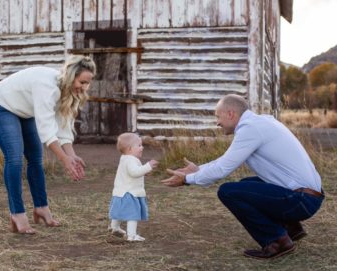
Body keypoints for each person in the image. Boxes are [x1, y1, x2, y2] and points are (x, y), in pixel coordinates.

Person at [161, 94, 324, 259]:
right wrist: (198, 170)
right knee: (246, 184)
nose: (217, 122)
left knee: (228, 191)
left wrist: (187, 179)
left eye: (218, 117)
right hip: (308, 196)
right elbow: (225, 160)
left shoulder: (250, 129)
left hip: (301, 200)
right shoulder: (260, 122)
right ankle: (291, 229)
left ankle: (277, 242)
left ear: (230, 114)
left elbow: (223, 168)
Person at [0, 55, 96, 234]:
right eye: (82, 82)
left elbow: (63, 126)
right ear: (71, 76)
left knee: (35, 159)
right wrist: (64, 160)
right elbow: (47, 131)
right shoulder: (47, 86)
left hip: (25, 111)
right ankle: (17, 214)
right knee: (14, 158)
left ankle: (41, 209)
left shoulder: (68, 92)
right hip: (3, 106)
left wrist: (71, 155)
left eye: (87, 84)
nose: (84, 88)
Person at [108, 133, 158, 241]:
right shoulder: (130, 160)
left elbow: (132, 172)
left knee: (119, 210)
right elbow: (134, 172)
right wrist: (148, 166)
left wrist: (143, 171)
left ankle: (114, 227)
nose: (142, 147)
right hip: (129, 193)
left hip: (121, 191)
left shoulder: (125, 158)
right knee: (133, 214)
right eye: (139, 145)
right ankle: (132, 235)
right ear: (130, 149)